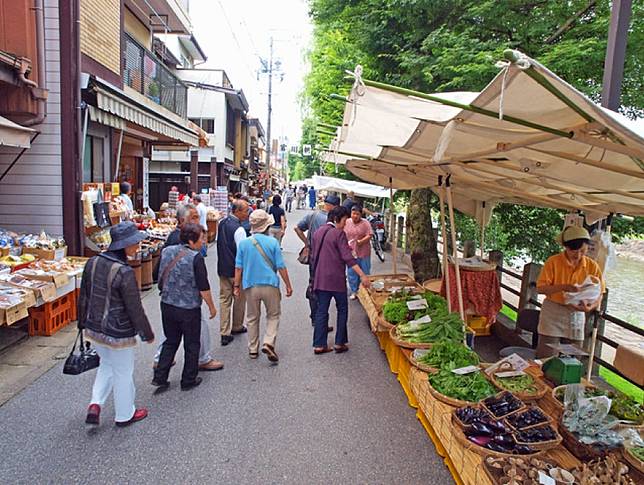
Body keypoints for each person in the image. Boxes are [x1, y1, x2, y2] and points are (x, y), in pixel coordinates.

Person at [79, 222, 155, 427]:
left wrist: (81, 323)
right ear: (124, 245)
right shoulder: (123, 271)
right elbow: (134, 307)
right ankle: (124, 414)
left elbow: (84, 296)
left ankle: (95, 404)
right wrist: (146, 332)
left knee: (106, 364)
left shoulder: (92, 262)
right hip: (118, 331)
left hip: (94, 327)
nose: (137, 246)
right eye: (134, 243)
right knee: (122, 371)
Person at [152, 204, 223, 372]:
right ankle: (197, 365)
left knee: (171, 335)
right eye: (194, 218)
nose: (198, 221)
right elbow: (202, 283)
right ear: (182, 220)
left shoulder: (172, 243)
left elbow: (157, 273)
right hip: (187, 302)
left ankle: (161, 364)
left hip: (169, 300)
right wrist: (211, 305)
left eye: (198, 217)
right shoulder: (188, 250)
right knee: (191, 338)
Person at [535, 226, 605, 358]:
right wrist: (564, 287)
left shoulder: (592, 266)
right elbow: (541, 288)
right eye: (574, 251)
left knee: (573, 357)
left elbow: (600, 293)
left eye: (582, 251)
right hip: (553, 312)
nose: (578, 255)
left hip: (577, 313)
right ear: (566, 247)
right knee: (546, 356)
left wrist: (590, 306)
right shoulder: (553, 262)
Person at [234, 210, 293, 362]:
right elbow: (280, 266)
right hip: (270, 284)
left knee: (252, 317)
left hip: (250, 285)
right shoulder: (273, 242)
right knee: (273, 315)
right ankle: (268, 342)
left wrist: (236, 286)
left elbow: (238, 267)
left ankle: (253, 349)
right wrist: (288, 285)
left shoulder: (244, 243)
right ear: (266, 225)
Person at [311, 207, 370, 354]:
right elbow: (348, 258)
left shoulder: (318, 232)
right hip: (336, 279)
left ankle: (319, 344)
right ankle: (339, 342)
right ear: (336, 219)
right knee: (342, 309)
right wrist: (362, 275)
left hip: (320, 278)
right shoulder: (339, 233)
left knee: (321, 311)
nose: (345, 224)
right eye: (344, 220)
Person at [295, 194, 340, 327]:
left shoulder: (312, 215)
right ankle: (320, 321)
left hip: (313, 256)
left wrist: (307, 243)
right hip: (327, 259)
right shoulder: (332, 221)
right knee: (323, 289)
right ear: (334, 206)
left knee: (313, 284)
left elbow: (297, 228)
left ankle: (314, 316)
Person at [217, 198, 249, 345]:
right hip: (236, 270)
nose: (247, 213)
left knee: (224, 300)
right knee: (239, 298)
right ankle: (236, 325)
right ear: (237, 211)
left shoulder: (222, 223)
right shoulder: (239, 229)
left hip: (222, 267)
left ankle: (224, 331)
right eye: (245, 210)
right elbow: (243, 252)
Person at [344, 205, 373, 299]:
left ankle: (364, 291)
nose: (355, 216)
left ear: (361, 215)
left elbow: (370, 235)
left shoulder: (365, 223)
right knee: (351, 272)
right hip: (351, 252)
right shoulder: (347, 222)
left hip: (364, 252)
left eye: (357, 214)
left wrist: (361, 242)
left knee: (365, 271)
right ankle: (354, 291)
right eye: (353, 213)